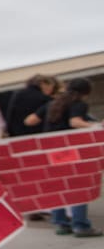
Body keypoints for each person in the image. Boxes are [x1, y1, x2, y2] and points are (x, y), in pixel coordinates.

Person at [24, 78, 102, 238]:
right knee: (78, 186)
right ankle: (81, 225)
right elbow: (75, 122)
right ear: (86, 93)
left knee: (57, 187)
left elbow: (30, 121)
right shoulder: (79, 104)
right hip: (69, 151)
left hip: (49, 151)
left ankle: (61, 224)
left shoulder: (52, 104)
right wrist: (96, 126)